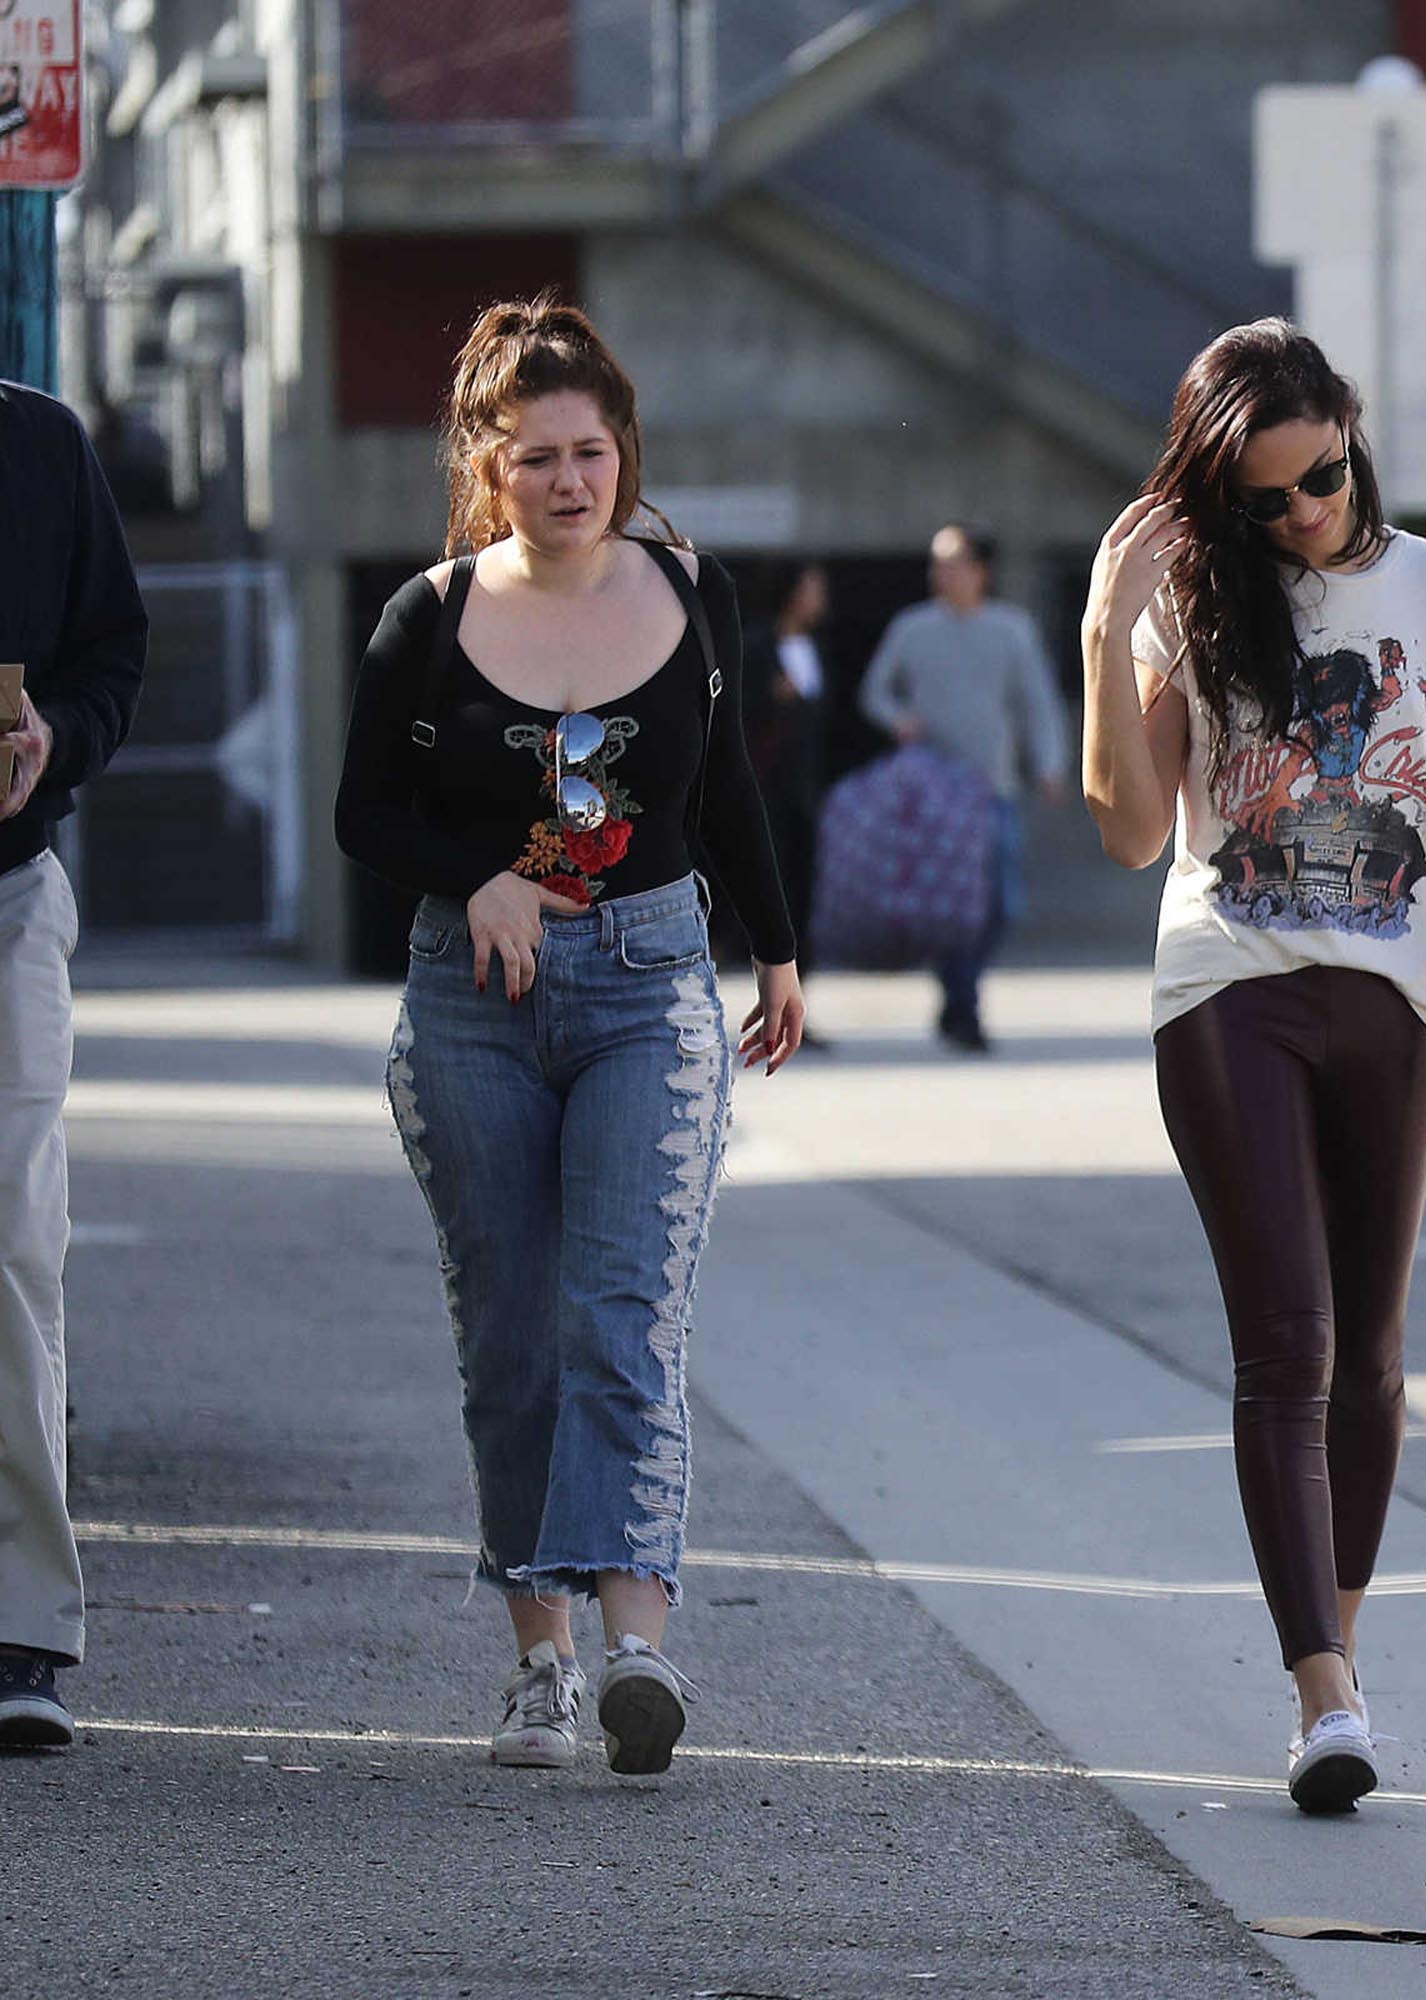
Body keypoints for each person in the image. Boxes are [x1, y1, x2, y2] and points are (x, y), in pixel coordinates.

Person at [1079, 319, 1426, 1813]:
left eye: (1324, 475)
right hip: (1228, 990)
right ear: (1216, 507)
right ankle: (1321, 1700)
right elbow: (1129, 830)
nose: (1308, 514)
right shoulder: (1190, 598)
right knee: (1289, 1344)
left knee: (1372, 1357)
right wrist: (1106, 629)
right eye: (1268, 501)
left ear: (1352, 438)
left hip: (1398, 1002)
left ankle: (1346, 1669)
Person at [334, 298, 805, 1776]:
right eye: (535, 456)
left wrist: (780, 948)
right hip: (474, 1005)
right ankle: (538, 1664)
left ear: (623, 455)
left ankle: (638, 1647)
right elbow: (367, 813)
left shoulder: (691, 592)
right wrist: (473, 877)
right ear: (490, 465)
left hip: (650, 987)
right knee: (512, 1338)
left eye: (591, 451)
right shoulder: (430, 615)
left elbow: (723, 787)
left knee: (625, 1319)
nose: (568, 480)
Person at [0, 379, 149, 1752]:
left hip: (6, 897)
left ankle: (19, 1635)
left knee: (14, 1247)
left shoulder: (39, 444)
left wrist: (56, 740)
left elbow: (113, 655)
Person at [859, 523, 1068, 1052]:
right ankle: (964, 1006)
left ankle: (957, 993)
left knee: (1000, 903)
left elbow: (1037, 702)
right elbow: (874, 691)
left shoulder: (1011, 630)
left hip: (993, 789)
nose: (941, 573)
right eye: (936, 562)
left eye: (952, 562)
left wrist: (1049, 763)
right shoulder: (913, 628)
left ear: (980, 570)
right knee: (947, 906)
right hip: (931, 794)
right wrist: (899, 719)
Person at [743, 560, 834, 1036]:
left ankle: (797, 1005)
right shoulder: (758, 647)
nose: (819, 599)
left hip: (804, 798)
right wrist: (769, 700)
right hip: (767, 796)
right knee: (773, 902)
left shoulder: (817, 649)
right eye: (812, 588)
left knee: (803, 900)